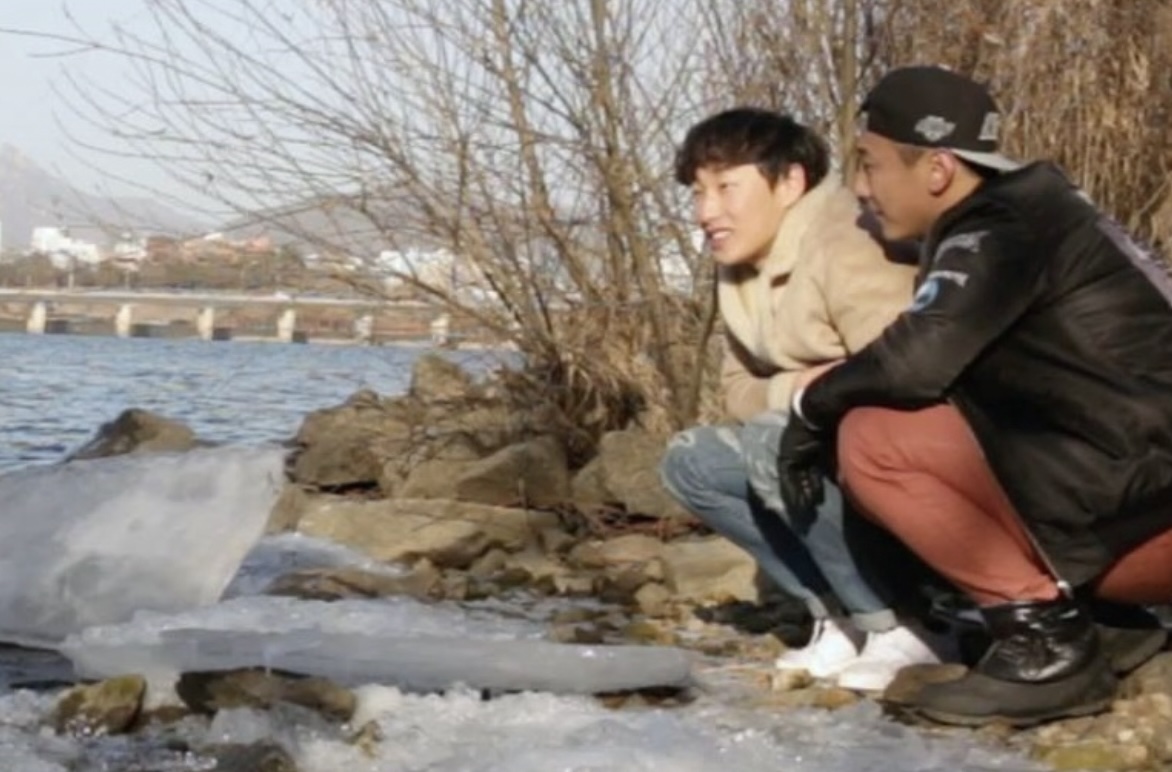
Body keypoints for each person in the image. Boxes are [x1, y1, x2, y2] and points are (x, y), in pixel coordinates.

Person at [778, 65, 1172, 726]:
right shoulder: (1046, 211)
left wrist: (809, 410)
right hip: (1140, 497)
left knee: (875, 438)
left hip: (1152, 521)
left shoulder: (997, 228)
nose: (862, 188)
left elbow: (914, 361)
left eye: (871, 165)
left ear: (937, 169)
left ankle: (1046, 646)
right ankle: (1104, 625)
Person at [659, 107, 952, 692]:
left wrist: (800, 403)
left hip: (915, 469)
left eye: (725, 188)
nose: (705, 212)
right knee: (692, 461)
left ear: (790, 182)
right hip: (829, 441)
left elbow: (900, 378)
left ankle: (910, 621)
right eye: (697, 192)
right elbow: (736, 391)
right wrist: (799, 386)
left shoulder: (849, 241)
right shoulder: (740, 264)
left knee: (775, 439)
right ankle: (839, 615)